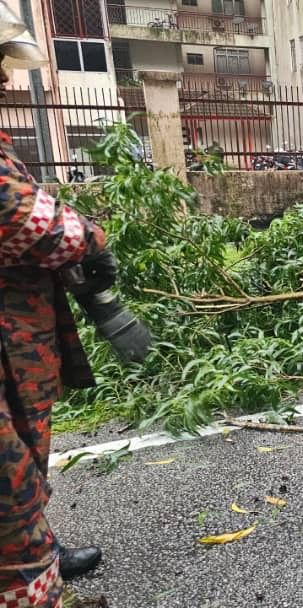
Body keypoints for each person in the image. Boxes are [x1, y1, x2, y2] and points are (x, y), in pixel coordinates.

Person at [0, 5, 112, 604]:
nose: (8, 81)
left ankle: (37, 542)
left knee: (24, 451)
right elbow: (31, 218)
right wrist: (88, 238)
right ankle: (27, 567)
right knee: (8, 480)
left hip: (19, 347)